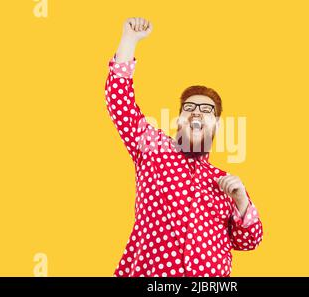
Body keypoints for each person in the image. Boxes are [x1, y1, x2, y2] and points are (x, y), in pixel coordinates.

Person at [105, 17, 264, 277]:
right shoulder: (154, 150)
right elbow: (120, 102)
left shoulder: (223, 182)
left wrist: (242, 201)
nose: (197, 114)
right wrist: (129, 41)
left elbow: (247, 242)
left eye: (206, 111)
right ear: (178, 120)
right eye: (189, 108)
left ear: (218, 126)